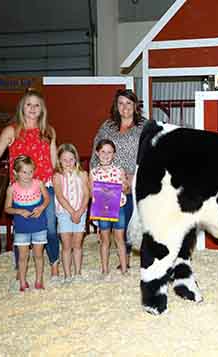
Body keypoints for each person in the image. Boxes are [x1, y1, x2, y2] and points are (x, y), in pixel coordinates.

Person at [0, 88, 60, 280]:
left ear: (42, 109)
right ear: (22, 107)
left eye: (36, 105)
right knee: (21, 228)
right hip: (20, 189)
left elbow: (54, 162)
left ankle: (54, 262)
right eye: (28, 104)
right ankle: (19, 268)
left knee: (50, 227)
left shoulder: (49, 131)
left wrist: (67, 180)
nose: (32, 108)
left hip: (45, 185)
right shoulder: (11, 130)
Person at [90, 89, 146, 268]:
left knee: (135, 217)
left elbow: (151, 151)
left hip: (137, 177)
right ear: (116, 106)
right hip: (109, 182)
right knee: (118, 220)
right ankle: (125, 258)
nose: (125, 107)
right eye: (121, 103)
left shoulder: (144, 126)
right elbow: (96, 150)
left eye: (129, 103)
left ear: (135, 106)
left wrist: (134, 176)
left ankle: (141, 254)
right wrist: (95, 176)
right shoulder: (107, 126)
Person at [4, 155, 50, 291]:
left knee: (38, 255)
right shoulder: (12, 189)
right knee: (23, 256)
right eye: (24, 172)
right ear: (15, 173)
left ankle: (39, 280)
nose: (28, 175)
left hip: (39, 224)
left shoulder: (39, 183)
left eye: (30, 172)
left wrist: (41, 207)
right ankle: (22, 282)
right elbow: (7, 208)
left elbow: (47, 198)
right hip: (22, 226)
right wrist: (18, 211)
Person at [90, 139, 130, 277]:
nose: (106, 155)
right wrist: (99, 194)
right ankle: (105, 269)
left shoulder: (119, 170)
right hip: (103, 209)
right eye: (103, 152)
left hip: (118, 207)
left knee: (120, 239)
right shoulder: (94, 172)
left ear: (114, 154)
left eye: (109, 152)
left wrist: (124, 186)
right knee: (105, 239)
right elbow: (91, 192)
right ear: (97, 153)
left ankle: (124, 269)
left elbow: (125, 187)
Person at [53, 143, 90, 282]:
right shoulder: (57, 176)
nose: (68, 163)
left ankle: (78, 273)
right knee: (66, 245)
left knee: (77, 244)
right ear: (59, 161)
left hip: (80, 212)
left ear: (76, 159)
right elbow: (60, 196)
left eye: (71, 159)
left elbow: (87, 195)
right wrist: (72, 212)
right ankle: (67, 274)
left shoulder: (82, 174)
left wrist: (79, 212)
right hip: (64, 213)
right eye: (64, 160)